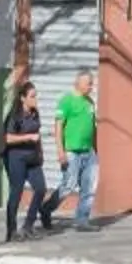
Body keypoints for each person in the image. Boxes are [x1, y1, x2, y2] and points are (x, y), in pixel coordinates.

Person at [2, 79, 58, 242]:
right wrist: (28, 137)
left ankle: (28, 225)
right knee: (16, 193)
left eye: (36, 96)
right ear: (23, 98)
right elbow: (8, 138)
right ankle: (11, 231)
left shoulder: (35, 113)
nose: (35, 99)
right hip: (16, 158)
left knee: (41, 189)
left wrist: (41, 153)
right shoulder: (14, 115)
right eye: (32, 96)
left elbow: (37, 135)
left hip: (33, 158)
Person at [56, 70, 100, 233]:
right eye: (89, 83)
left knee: (89, 187)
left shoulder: (90, 102)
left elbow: (93, 127)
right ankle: (46, 210)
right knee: (68, 185)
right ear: (78, 83)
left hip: (89, 152)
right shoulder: (66, 101)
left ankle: (82, 221)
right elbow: (58, 127)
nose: (91, 86)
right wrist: (60, 151)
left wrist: (96, 150)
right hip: (72, 152)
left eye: (92, 83)